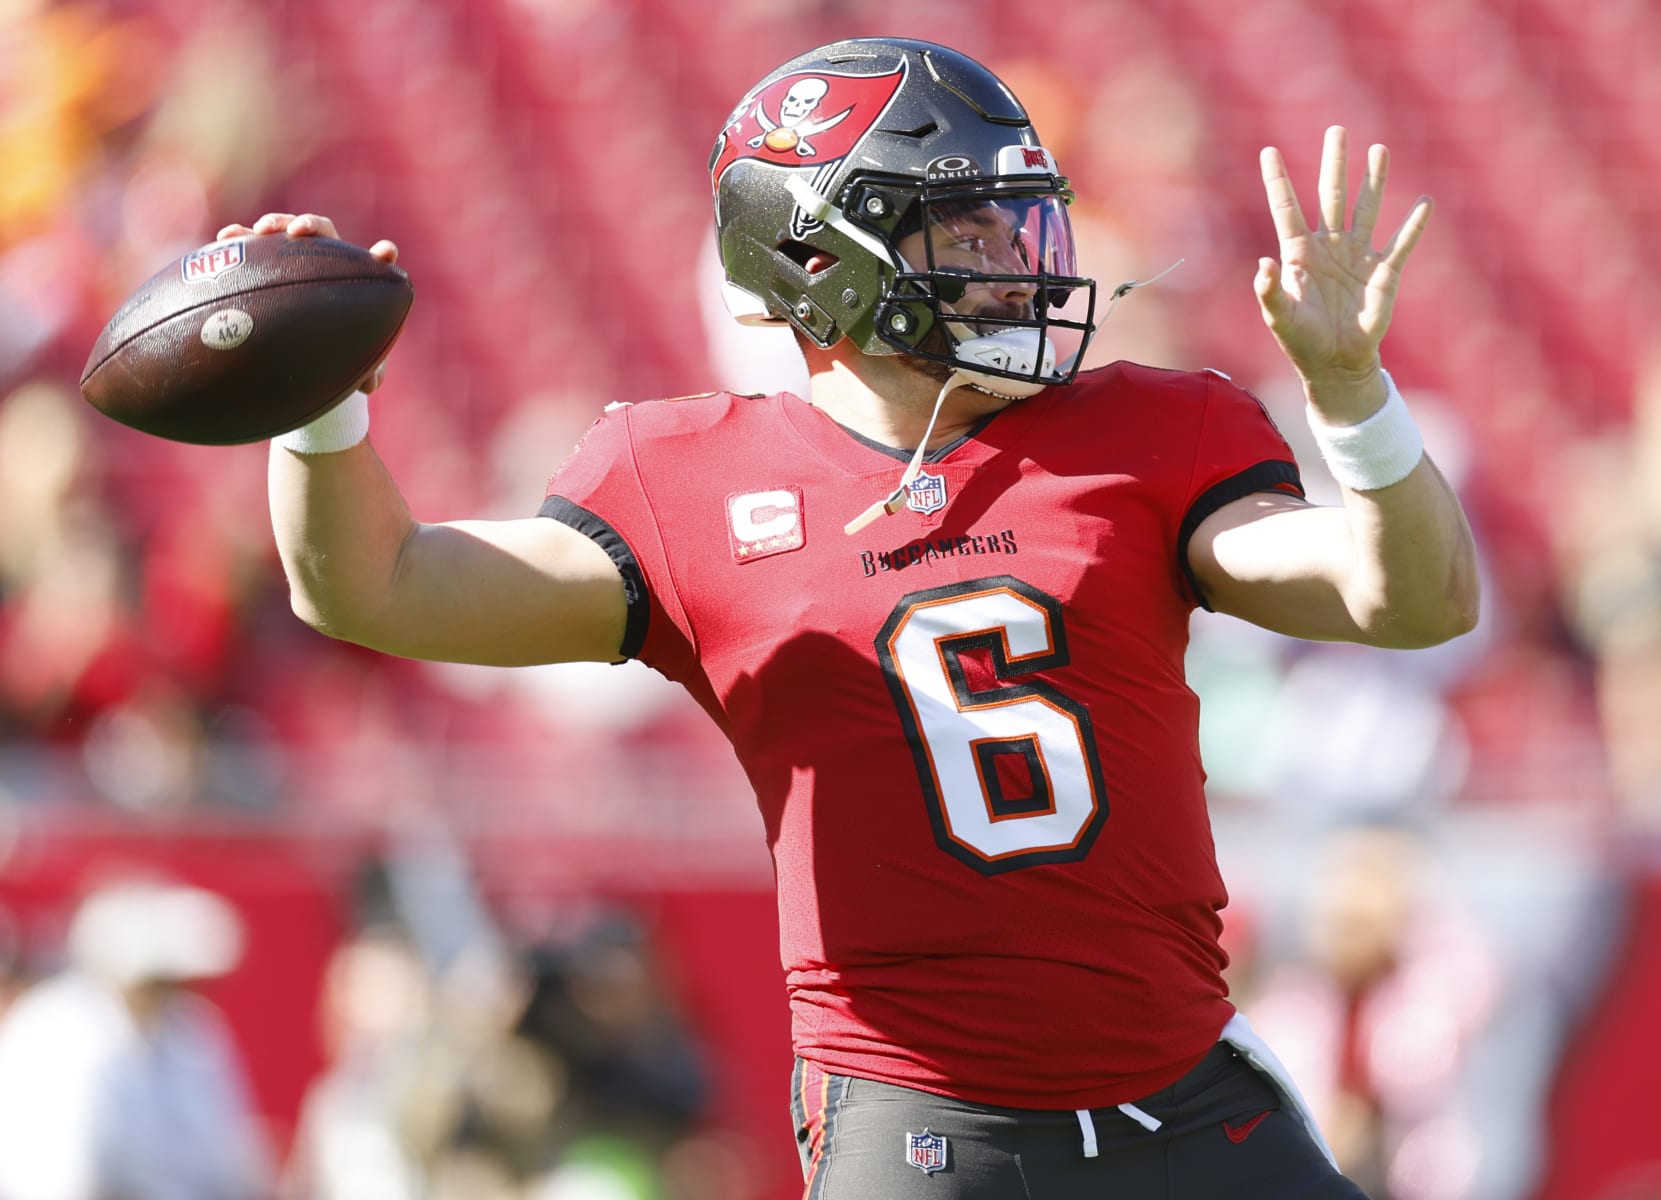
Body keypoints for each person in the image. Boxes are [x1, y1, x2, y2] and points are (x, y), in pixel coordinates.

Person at [222, 37, 1478, 1199]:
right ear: (818, 261)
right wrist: (319, 405)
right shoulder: (685, 478)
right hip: (924, 1127)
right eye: (964, 223)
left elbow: (1413, 600)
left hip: (1190, 1101)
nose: (1018, 250)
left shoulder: (1147, 432)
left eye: (1017, 212)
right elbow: (371, 584)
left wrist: (1354, 396)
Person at [0, 878, 273, 1200]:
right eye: (161, 981)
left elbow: (229, 1164)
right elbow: (63, 1182)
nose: (176, 993)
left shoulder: (194, 1031)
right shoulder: (56, 1030)